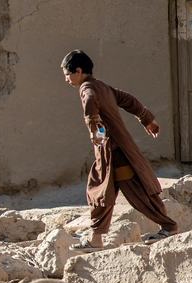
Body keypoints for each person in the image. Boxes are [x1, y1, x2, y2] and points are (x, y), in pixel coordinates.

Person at [62, 49, 177, 249]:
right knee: (100, 191)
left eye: (67, 74)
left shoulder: (87, 88)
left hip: (115, 153)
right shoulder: (103, 87)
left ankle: (169, 227)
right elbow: (128, 100)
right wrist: (147, 119)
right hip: (114, 150)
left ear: (78, 71)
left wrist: (96, 134)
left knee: (132, 191)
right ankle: (96, 239)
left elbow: (90, 107)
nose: (66, 79)